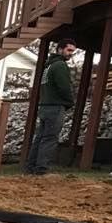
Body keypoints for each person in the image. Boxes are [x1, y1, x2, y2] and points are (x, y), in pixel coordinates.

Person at [25, 38, 77, 175]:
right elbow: (64, 87)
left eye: (73, 51)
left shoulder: (49, 66)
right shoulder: (60, 65)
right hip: (55, 107)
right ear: (60, 49)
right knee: (49, 139)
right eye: (69, 50)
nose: (71, 53)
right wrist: (70, 102)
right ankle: (41, 170)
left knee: (40, 137)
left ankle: (31, 167)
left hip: (44, 106)